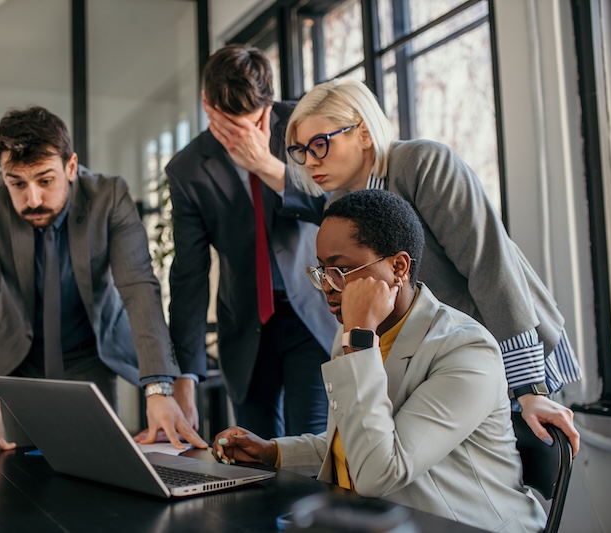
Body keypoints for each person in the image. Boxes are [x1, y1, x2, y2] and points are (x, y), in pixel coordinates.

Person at [221, 77, 579, 452]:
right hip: (438, 362)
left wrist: (528, 388)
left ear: (362, 131)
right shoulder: (337, 207)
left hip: (505, 341)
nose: (310, 161)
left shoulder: (422, 163)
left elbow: (491, 268)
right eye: (299, 150)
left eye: (320, 144)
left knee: (507, 476)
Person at [212, 190, 547, 532]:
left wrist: (359, 338)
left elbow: (378, 471)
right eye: (322, 270)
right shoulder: (357, 334)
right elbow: (357, 441)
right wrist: (271, 453)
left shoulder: (465, 350)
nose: (327, 286)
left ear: (398, 267)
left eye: (342, 269)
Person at [0, 106, 205, 462]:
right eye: (16, 183)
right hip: (17, 359)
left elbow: (138, 286)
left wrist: (158, 387)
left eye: (45, 181)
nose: (32, 199)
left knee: (96, 464)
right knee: (19, 474)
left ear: (71, 167)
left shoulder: (109, 197)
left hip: (90, 352)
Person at [165, 44, 339, 439]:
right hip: (245, 325)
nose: (242, 137)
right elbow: (189, 276)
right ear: (206, 104)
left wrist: (266, 166)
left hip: (314, 313)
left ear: (269, 103)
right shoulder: (187, 170)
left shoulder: (305, 126)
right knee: (254, 456)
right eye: (229, 126)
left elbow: (338, 209)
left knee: (309, 450)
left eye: (253, 123)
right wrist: (185, 378)